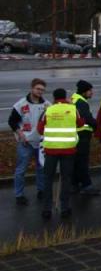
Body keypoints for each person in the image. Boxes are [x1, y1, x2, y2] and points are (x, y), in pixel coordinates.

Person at [39, 88, 84, 219]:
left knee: (48, 179)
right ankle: (65, 208)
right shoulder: (72, 109)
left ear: (54, 97)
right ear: (66, 97)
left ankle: (47, 209)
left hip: (51, 150)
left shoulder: (49, 110)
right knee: (66, 179)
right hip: (68, 150)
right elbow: (81, 123)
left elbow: (40, 129)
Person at [10, 78, 48, 206]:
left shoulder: (47, 105)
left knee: (41, 168)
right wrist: (21, 135)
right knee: (21, 170)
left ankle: (41, 191)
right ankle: (19, 195)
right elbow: (12, 121)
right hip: (25, 142)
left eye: (42, 90)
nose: (40, 92)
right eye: (38, 89)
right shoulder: (21, 104)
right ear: (32, 88)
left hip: (41, 142)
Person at [71, 80, 99, 195]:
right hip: (81, 136)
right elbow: (87, 118)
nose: (92, 93)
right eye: (90, 91)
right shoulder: (81, 102)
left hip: (76, 136)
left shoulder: (74, 99)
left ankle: (75, 185)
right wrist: (96, 124)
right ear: (84, 91)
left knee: (76, 162)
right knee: (82, 162)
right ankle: (87, 186)